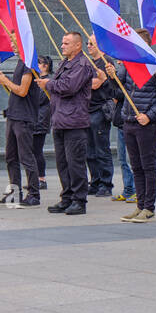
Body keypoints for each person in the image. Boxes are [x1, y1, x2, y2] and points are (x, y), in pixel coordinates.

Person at [116, 30, 156, 223]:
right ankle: (139, 205)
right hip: (129, 121)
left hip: (146, 124)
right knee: (136, 166)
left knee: (148, 166)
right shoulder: (130, 65)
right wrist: (108, 74)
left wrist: (149, 115)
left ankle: (149, 207)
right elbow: (117, 90)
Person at [38, 31, 94, 215]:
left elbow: (68, 87)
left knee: (75, 163)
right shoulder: (65, 63)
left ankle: (79, 200)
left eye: (66, 43)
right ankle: (67, 197)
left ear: (78, 45)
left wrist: (48, 84)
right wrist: (51, 84)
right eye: (62, 43)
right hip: (60, 119)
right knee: (63, 163)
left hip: (74, 121)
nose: (62, 46)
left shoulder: (83, 64)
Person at [0, 33, 41, 207]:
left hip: (24, 118)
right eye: (12, 41)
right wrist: (5, 82)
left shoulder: (29, 64)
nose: (12, 45)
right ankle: (15, 192)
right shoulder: (20, 63)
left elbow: (22, 90)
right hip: (14, 116)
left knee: (26, 157)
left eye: (16, 41)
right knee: (11, 157)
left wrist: (6, 81)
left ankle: (34, 193)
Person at [84, 36, 115, 197]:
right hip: (88, 110)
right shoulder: (90, 63)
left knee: (101, 149)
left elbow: (95, 84)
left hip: (100, 109)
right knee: (90, 150)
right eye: (87, 43)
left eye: (91, 43)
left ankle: (106, 183)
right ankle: (95, 181)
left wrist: (82, 84)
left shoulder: (106, 61)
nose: (88, 46)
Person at [33, 55, 53, 191]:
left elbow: (40, 98)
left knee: (37, 150)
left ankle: (41, 178)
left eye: (38, 64)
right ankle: (36, 178)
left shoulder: (47, 81)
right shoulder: (39, 80)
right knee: (33, 150)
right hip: (35, 118)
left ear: (45, 65)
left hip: (41, 119)